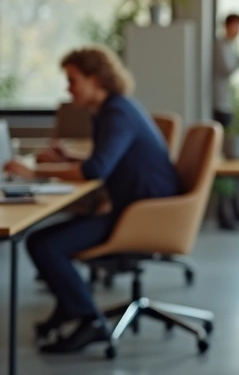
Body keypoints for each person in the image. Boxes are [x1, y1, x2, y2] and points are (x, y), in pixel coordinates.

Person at [3, 46, 180, 353]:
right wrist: (67, 158)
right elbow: (105, 162)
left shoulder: (117, 112)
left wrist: (35, 173)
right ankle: (70, 309)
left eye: (72, 80)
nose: (68, 88)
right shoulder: (112, 109)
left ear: (94, 79)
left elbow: (96, 169)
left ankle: (90, 321)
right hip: (135, 208)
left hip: (142, 214)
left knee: (44, 245)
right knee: (43, 241)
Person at [213, 12, 239, 230]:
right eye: (237, 26)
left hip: (226, 105)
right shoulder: (220, 45)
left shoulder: (227, 45)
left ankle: (234, 210)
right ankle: (224, 213)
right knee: (226, 161)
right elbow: (226, 70)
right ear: (229, 25)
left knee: (233, 158)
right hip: (220, 107)